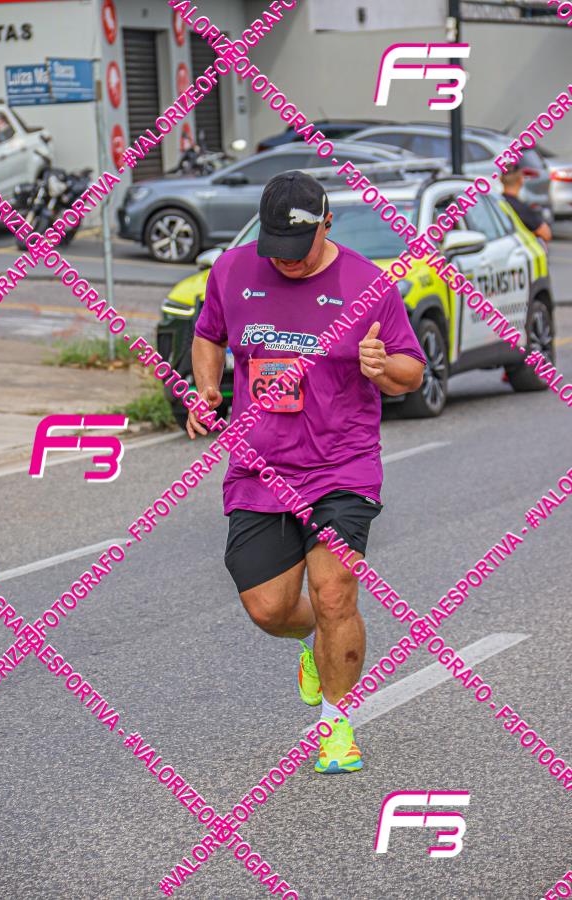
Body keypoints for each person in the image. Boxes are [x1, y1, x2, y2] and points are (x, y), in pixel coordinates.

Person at [187, 171, 425, 774]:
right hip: (259, 466)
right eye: (276, 248)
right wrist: (207, 388)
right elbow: (208, 335)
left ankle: (336, 725)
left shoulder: (367, 285)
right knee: (268, 608)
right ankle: (316, 641)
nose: (286, 261)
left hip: (342, 464)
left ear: (327, 225)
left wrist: (382, 367)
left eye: (298, 248)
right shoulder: (232, 271)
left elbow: (411, 372)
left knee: (334, 590)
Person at [501, 163, 552, 243]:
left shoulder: (495, 203)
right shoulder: (523, 209)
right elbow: (546, 234)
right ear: (521, 180)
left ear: (500, 179)